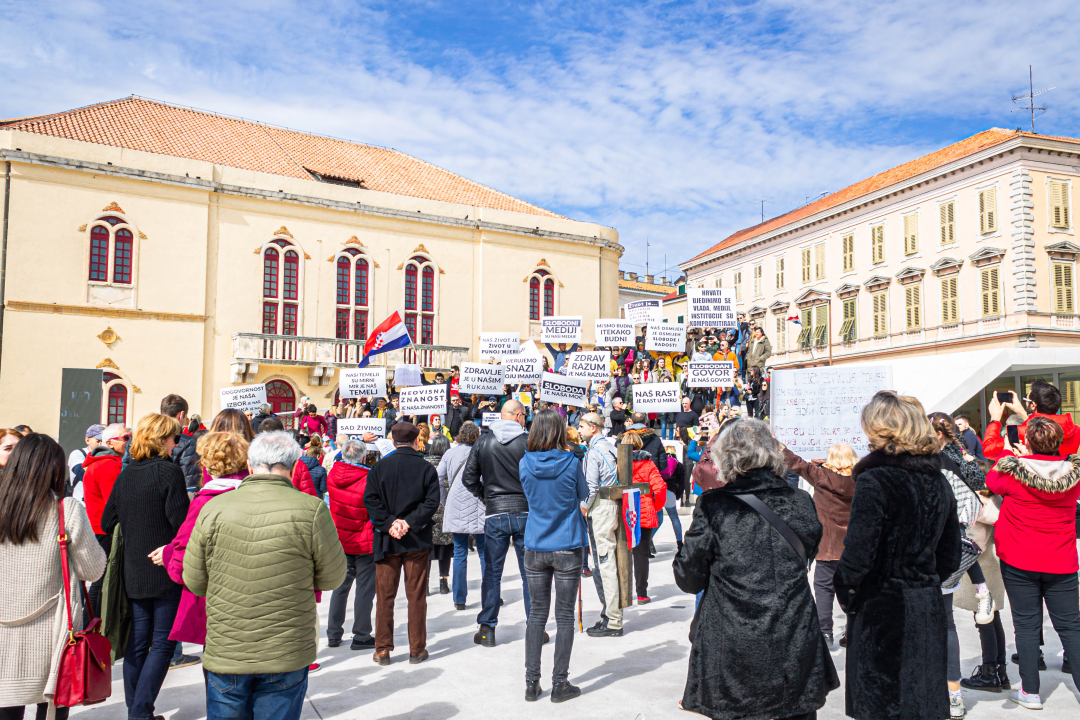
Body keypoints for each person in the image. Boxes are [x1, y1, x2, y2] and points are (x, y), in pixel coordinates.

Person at [674, 419, 838, 719]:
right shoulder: (800, 501)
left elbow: (688, 577)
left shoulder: (715, 504)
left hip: (733, 642)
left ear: (727, 455)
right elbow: (810, 550)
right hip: (794, 634)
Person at [183, 431, 346, 720]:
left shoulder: (214, 508)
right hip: (285, 650)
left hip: (228, 648)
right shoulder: (311, 509)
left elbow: (195, 580)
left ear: (249, 463)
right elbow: (332, 577)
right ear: (295, 467)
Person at [834, 391, 962, 720]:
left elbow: (859, 552)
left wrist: (848, 593)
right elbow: (950, 554)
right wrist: (925, 579)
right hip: (926, 605)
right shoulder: (938, 481)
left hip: (882, 609)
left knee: (883, 704)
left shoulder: (876, 479)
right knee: (922, 703)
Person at [0, 434, 107, 720]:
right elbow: (93, 570)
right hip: (54, 633)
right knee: (52, 708)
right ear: (55, 469)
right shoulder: (66, 509)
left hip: (3, 632)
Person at [985, 416, 1080, 709]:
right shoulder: (1074, 474)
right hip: (1061, 559)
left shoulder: (1013, 472)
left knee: (1025, 625)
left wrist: (1011, 452)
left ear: (1027, 442)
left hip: (1019, 559)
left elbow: (991, 479)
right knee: (1071, 627)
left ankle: (1030, 692)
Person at [101, 414, 191, 720]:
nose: (176, 443)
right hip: (163, 566)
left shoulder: (127, 473)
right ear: (161, 439)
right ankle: (140, 713)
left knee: (139, 642)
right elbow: (181, 525)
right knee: (163, 643)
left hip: (134, 568)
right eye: (173, 438)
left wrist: (135, 523)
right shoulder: (168, 472)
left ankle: (136, 712)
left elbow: (106, 520)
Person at [517, 409, 589, 703]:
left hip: (536, 541)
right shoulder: (572, 463)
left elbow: (528, 495)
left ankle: (531, 682)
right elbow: (584, 495)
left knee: (536, 615)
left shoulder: (524, 462)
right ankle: (560, 682)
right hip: (567, 543)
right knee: (564, 617)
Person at [162, 432, 248, 654]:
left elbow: (182, 558)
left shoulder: (205, 501)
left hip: (219, 599)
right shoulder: (258, 493)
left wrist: (167, 555)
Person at [364, 422, 441, 665]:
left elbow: (370, 501)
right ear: (417, 441)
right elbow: (431, 503)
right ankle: (417, 649)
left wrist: (390, 524)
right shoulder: (426, 468)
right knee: (416, 596)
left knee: (385, 596)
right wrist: (408, 523)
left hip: (387, 540)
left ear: (393, 442)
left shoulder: (379, 468)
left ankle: (383, 649)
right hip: (416, 540)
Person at [462, 400, 532, 647]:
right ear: (519, 416)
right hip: (524, 512)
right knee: (529, 573)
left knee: (492, 572)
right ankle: (534, 626)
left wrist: (488, 497)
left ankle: (487, 627)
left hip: (496, 513)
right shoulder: (528, 441)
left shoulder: (484, 441)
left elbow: (468, 478)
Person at [782, 442, 856, 647]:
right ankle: (852, 631)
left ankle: (825, 633)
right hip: (853, 546)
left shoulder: (822, 477)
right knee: (853, 590)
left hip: (828, 545)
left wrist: (780, 446)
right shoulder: (860, 479)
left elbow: (796, 463)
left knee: (824, 589)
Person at [325, 439, 377, 650]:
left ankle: (333, 633)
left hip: (341, 539)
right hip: (364, 539)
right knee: (364, 589)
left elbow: (340, 457)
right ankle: (361, 634)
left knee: (340, 587)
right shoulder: (368, 478)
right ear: (364, 457)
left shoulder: (333, 474)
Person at [576, 412, 622, 636]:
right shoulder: (611, 446)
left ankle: (612, 620)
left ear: (593, 428)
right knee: (606, 561)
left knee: (604, 564)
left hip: (602, 507)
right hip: (610, 505)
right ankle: (611, 615)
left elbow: (590, 488)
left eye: (582, 426)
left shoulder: (595, 451)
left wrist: (583, 509)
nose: (579, 430)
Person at [81, 423, 130, 616]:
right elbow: (116, 500)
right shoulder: (108, 464)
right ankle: (92, 625)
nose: (129, 442)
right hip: (107, 530)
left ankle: (91, 625)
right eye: (125, 438)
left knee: (100, 580)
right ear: (109, 442)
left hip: (101, 528)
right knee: (102, 581)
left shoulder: (102, 462)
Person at [440, 422, 487, 610]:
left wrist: (444, 499)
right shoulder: (482, 452)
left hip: (456, 504)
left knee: (459, 553)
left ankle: (459, 599)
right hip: (479, 503)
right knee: (485, 553)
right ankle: (489, 594)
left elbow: (438, 476)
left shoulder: (450, 453)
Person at [619, 433, 666, 603]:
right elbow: (660, 488)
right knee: (641, 555)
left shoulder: (619, 463)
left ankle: (621, 592)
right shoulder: (648, 463)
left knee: (620, 554)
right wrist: (656, 506)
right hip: (644, 513)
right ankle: (641, 593)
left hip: (622, 512)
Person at [983, 381, 1079, 459]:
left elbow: (988, 450)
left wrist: (995, 420)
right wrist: (1023, 413)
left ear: (1033, 405)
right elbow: (1045, 424)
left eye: (1026, 400)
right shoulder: (1075, 430)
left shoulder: (1017, 432)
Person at [425, 434, 453, 595]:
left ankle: (426, 585)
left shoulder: (425, 464)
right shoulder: (450, 464)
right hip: (447, 512)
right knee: (445, 550)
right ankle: (443, 582)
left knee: (427, 551)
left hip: (428, 514)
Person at [159, 394, 202, 492]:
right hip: (172, 499)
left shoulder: (137, 440)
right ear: (181, 414)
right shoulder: (187, 443)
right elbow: (190, 484)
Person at [66, 423, 103, 500]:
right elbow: (82, 474)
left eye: (104, 440)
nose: (101, 444)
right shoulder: (78, 454)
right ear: (87, 440)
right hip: (80, 505)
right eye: (98, 440)